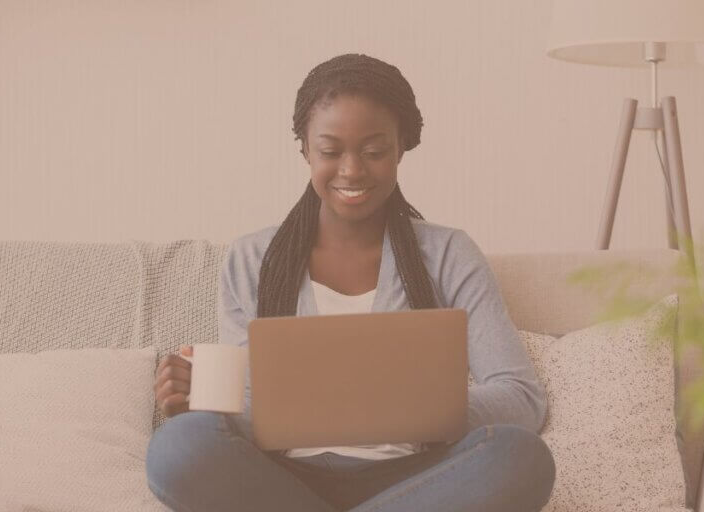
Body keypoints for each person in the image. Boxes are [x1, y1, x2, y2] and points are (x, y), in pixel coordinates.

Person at [146, 53, 555, 512]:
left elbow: (521, 397)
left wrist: (424, 410)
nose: (352, 170)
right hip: (279, 482)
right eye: (330, 150)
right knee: (177, 447)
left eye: (374, 151)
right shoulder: (251, 258)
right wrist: (198, 406)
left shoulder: (448, 254)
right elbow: (251, 411)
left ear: (402, 148)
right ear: (304, 149)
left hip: (418, 481)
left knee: (522, 459)